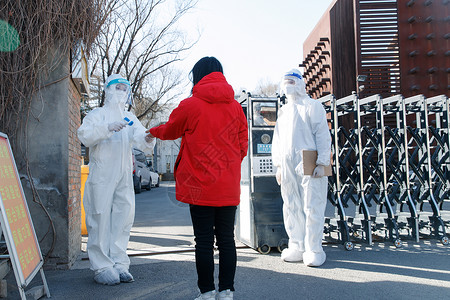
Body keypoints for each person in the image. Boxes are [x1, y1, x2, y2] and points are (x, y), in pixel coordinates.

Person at [146, 57, 248, 300]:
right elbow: (242, 146)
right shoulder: (235, 107)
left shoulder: (190, 105)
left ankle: (206, 292)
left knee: (203, 241)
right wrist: (228, 164)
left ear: (198, 75)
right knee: (226, 240)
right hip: (227, 187)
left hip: (199, 187)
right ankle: (226, 291)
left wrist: (152, 131)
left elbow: (170, 129)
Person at [78, 74, 155, 285]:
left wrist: (149, 137)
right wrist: (107, 128)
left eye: (125, 88)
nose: (121, 91)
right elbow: (84, 135)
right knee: (99, 216)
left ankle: (119, 263)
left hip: (123, 174)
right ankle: (101, 265)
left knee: (124, 216)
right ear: (108, 90)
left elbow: (141, 138)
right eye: (117, 87)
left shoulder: (130, 118)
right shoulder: (97, 114)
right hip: (102, 174)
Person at [271, 69, 331, 267]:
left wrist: (323, 163)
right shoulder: (283, 111)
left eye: (292, 81)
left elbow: (322, 135)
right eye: (285, 81)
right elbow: (277, 141)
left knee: (312, 205)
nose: (288, 85)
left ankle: (314, 248)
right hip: (288, 165)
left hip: (309, 162)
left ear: (300, 84)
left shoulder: (313, 106)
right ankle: (296, 244)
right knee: (291, 205)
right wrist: (278, 165)